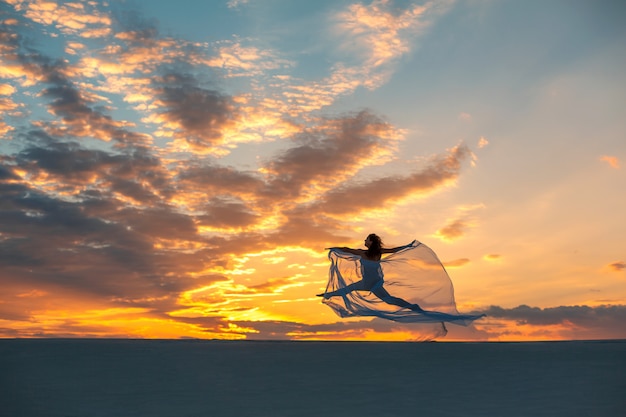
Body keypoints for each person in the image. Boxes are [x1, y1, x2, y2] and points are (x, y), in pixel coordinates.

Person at [317, 233, 424, 312]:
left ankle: (327, 294)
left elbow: (347, 249)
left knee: (348, 289)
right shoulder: (376, 252)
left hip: (370, 283)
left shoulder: (365, 253)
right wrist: (407, 246)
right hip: (372, 282)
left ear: (371, 242)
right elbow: (394, 250)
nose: (365, 241)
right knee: (388, 300)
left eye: (366, 239)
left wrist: (335, 248)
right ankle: (412, 307)